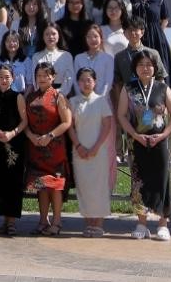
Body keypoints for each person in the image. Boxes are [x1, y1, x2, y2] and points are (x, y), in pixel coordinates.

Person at [117, 52, 171, 241]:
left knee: (162, 180)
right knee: (138, 181)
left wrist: (163, 135)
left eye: (149, 64)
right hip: (137, 142)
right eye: (141, 64)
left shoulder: (163, 88)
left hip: (159, 142)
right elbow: (121, 115)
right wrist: (135, 135)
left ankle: (163, 224)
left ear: (155, 67)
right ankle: (142, 224)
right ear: (135, 68)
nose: (145, 68)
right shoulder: (128, 88)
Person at [24, 61, 73, 236]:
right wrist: (31, 136)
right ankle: (43, 220)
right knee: (41, 186)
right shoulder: (30, 97)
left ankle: (57, 221)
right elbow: (24, 122)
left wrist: (50, 136)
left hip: (54, 148)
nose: (42, 78)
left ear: (53, 77)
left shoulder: (59, 96)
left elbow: (67, 122)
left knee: (55, 185)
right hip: (36, 147)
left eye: (46, 75)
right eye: (39, 75)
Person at [69, 67, 115, 237]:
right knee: (84, 188)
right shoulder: (73, 101)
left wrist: (95, 147)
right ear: (78, 82)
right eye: (82, 80)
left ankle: (98, 224)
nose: (86, 83)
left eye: (89, 80)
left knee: (99, 187)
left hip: (98, 152)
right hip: (79, 151)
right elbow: (70, 126)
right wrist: (78, 146)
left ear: (95, 82)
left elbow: (107, 126)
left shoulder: (101, 101)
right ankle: (88, 223)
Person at [0, 63, 28, 237]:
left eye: (7, 77)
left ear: (13, 78)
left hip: (15, 144)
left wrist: (12, 133)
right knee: (1, 181)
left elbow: (24, 121)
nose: (4, 80)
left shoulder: (18, 97)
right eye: (1, 77)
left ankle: (12, 222)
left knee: (13, 182)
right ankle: (4, 220)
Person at [31, 23, 74, 96]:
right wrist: (44, 95)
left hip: (62, 95)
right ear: (43, 37)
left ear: (59, 35)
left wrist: (58, 93)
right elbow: (35, 79)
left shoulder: (67, 56)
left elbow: (69, 79)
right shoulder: (36, 57)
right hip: (42, 95)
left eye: (54, 34)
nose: (50, 37)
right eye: (47, 34)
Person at [74, 25, 114, 96]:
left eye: (95, 36)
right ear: (85, 39)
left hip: (103, 99)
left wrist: (100, 99)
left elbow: (108, 83)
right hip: (82, 100)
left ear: (101, 38)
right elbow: (75, 81)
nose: (92, 39)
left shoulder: (108, 58)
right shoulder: (78, 58)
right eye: (89, 37)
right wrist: (82, 97)